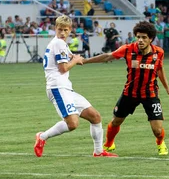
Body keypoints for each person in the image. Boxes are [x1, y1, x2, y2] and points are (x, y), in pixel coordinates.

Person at [82, 21, 169, 156]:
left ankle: (160, 143)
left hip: (150, 94)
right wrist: (85, 61)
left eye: (144, 37)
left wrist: (168, 88)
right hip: (129, 93)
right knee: (115, 121)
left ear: (150, 39)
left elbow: (160, 69)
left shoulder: (159, 53)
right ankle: (109, 143)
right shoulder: (128, 49)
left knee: (157, 130)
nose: (140, 40)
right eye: (138, 37)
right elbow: (108, 56)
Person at [34, 15, 117, 158]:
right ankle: (42, 137)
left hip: (66, 89)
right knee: (72, 124)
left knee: (95, 116)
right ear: (55, 28)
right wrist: (77, 60)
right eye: (59, 29)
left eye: (65, 30)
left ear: (70, 30)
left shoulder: (61, 44)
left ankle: (98, 152)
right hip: (57, 88)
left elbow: (76, 59)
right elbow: (64, 68)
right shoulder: (59, 43)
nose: (62, 33)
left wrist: (98, 59)